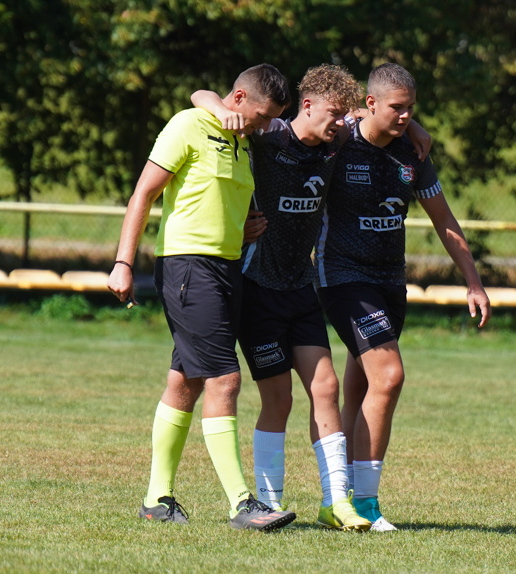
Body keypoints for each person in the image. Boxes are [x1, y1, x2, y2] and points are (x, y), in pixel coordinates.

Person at [189, 64, 431, 530]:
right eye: (333, 114)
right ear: (306, 106)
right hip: (258, 287)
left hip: (301, 287)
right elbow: (201, 92)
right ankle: (267, 503)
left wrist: (413, 123)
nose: (340, 124)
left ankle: (337, 501)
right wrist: (220, 106)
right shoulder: (270, 136)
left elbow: (371, 114)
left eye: (344, 116)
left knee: (326, 387)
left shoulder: (335, 142)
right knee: (277, 399)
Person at [107, 63, 297, 531]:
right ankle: (240, 504)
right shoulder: (189, 124)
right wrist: (123, 262)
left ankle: (156, 500)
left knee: (185, 382)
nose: (264, 125)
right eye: (261, 115)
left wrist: (245, 227)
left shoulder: (241, 141)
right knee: (224, 380)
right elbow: (143, 194)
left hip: (226, 268)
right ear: (237, 98)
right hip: (189, 267)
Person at [314, 63, 491, 532]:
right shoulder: (338, 142)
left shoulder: (412, 154)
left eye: (411, 108)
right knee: (389, 376)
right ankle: (368, 506)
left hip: (390, 282)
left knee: (362, 388)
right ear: (370, 104)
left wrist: (473, 282)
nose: (405, 115)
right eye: (397, 107)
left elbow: (444, 220)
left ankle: (341, 501)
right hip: (344, 278)